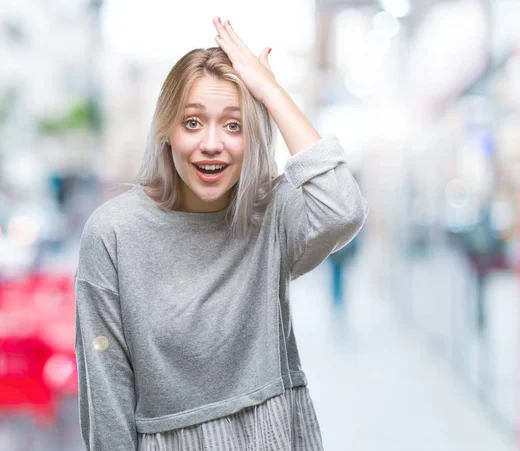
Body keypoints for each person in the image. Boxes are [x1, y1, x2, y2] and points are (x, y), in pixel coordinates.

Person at [74, 17, 369, 451]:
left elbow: (342, 208)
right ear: (166, 132)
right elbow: (106, 389)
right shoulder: (113, 232)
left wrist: (270, 93)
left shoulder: (271, 213)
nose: (212, 144)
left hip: (272, 436)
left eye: (234, 125)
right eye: (193, 122)